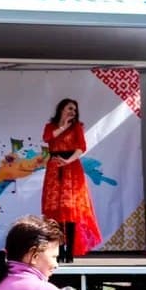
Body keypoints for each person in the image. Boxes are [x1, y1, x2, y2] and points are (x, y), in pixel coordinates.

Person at [42, 98, 102, 261]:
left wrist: (68, 161)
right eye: (69, 108)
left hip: (71, 168)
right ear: (61, 109)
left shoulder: (77, 127)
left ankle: (69, 252)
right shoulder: (51, 126)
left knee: (70, 210)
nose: (72, 112)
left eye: (74, 110)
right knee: (56, 212)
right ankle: (59, 249)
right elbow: (48, 138)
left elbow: (81, 147)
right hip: (55, 168)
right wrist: (63, 126)